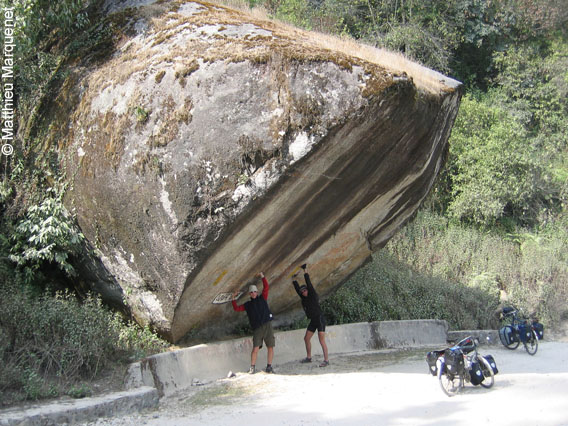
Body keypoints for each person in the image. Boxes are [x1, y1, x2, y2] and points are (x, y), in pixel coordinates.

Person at [232, 272, 275, 374]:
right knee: (255, 348)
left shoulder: (263, 298)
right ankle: (252, 367)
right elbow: (237, 308)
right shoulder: (248, 305)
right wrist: (233, 298)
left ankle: (269, 366)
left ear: (257, 292)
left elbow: (266, 287)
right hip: (257, 328)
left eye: (255, 291)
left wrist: (262, 276)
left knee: (270, 346)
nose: (253, 293)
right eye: (251, 292)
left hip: (267, 325)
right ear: (249, 294)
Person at [292, 264, 329, 367]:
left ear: (307, 290)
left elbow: (309, 283)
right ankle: (309, 357)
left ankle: (326, 360)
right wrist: (294, 280)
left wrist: (305, 270)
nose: (303, 292)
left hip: (320, 319)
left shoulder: (312, 294)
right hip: (313, 320)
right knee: (306, 338)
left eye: (305, 290)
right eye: (302, 291)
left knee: (321, 340)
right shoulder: (304, 298)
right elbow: (297, 289)